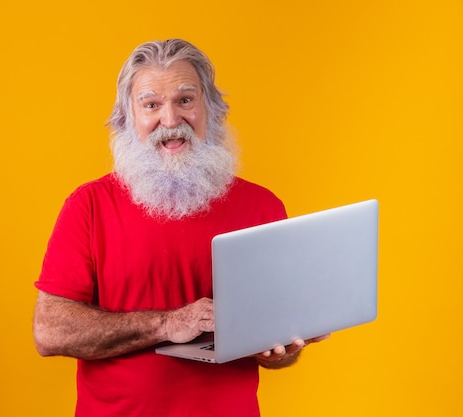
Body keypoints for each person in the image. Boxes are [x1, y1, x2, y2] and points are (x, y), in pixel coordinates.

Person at [33, 38, 328, 417]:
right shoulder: (88, 206)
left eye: (185, 100)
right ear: (128, 118)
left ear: (211, 109)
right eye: (151, 104)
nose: (170, 121)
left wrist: (281, 350)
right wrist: (167, 324)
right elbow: (49, 332)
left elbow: (274, 347)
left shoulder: (262, 206)